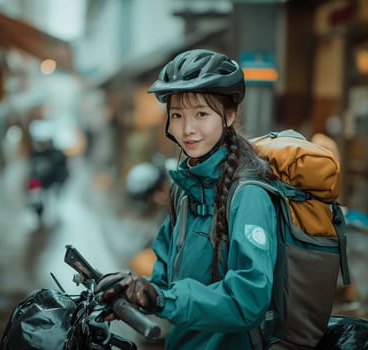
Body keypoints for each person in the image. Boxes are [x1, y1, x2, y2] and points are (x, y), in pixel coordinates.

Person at [96, 48, 278, 349]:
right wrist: (136, 289)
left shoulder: (249, 195)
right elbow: (164, 278)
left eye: (201, 114)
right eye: (177, 115)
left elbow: (249, 300)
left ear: (228, 116)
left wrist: (164, 299)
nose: (187, 128)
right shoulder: (183, 190)